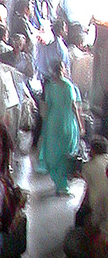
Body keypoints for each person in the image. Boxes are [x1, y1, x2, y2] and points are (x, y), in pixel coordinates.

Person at [38, 60, 83, 196]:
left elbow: (47, 105)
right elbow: (73, 106)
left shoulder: (50, 87)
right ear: (63, 69)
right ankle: (63, 184)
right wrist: (80, 124)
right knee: (66, 150)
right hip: (66, 121)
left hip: (52, 121)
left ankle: (59, 182)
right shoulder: (68, 86)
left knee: (53, 151)